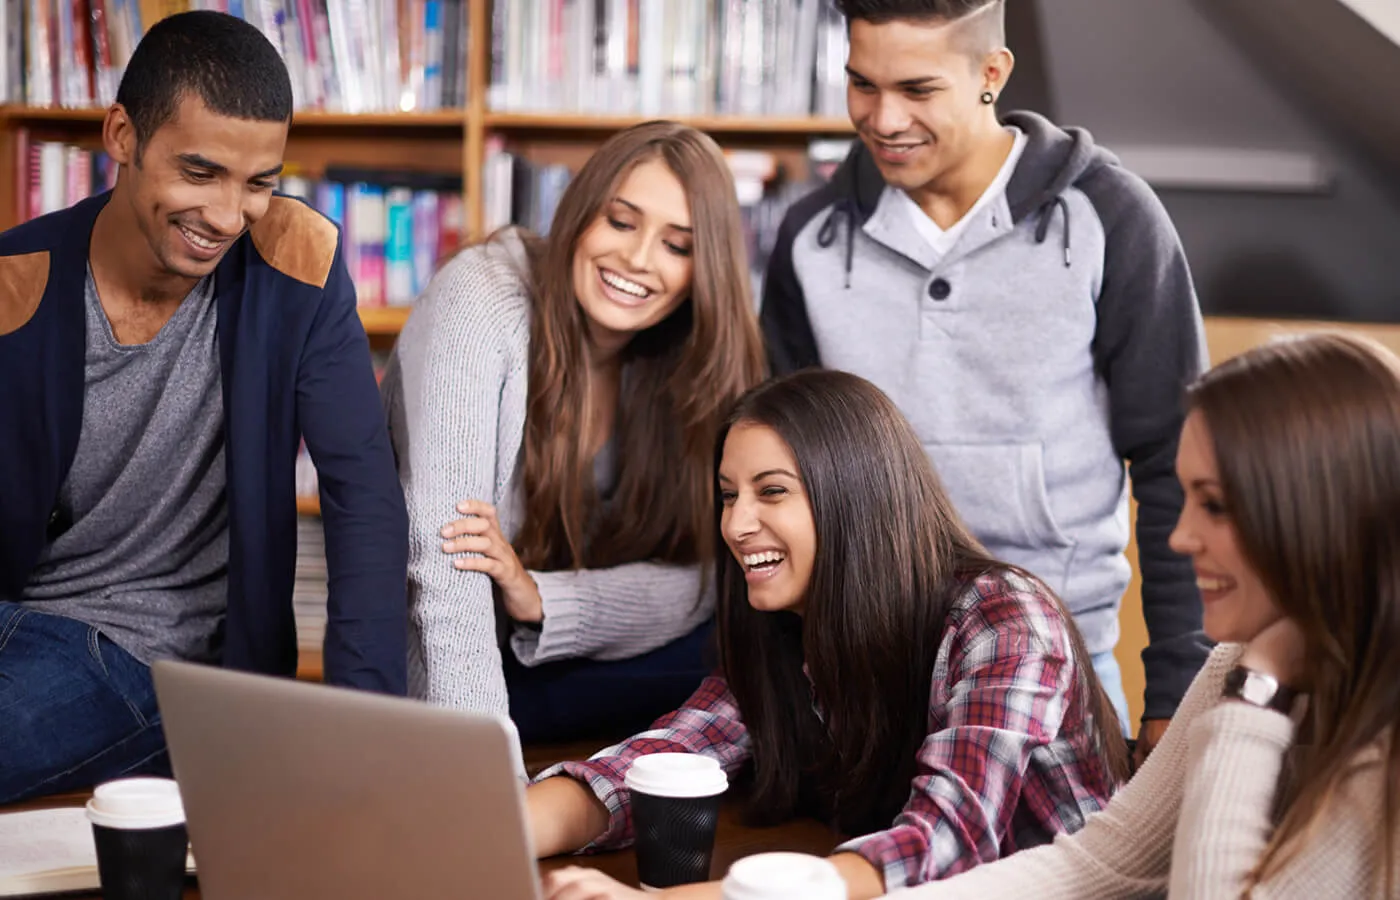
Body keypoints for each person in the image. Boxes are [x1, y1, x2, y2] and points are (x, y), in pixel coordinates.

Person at [760, 0, 1210, 761]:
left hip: (1062, 670)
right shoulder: (809, 239)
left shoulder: (1109, 217)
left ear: (990, 74)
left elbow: (1178, 462)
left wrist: (1176, 691)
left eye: (917, 90)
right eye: (861, 84)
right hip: (869, 674)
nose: (883, 117)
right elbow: (788, 477)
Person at [0, 11, 408, 804]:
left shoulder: (301, 267)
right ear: (122, 134)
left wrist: (369, 739)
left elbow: (364, 501)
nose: (227, 216)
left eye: (259, 183)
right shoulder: (15, 281)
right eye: (199, 172)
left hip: (162, 664)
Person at [528, 370, 1127, 899]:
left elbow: (948, 843)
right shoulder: (788, 629)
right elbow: (660, 763)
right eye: (728, 496)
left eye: (772, 491)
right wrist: (489, 828)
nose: (736, 524)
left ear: (856, 495)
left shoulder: (1006, 618)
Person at [893, 332, 1400, 899]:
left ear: (1317, 512)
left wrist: (1256, 691)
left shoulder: (1277, 683)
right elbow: (1103, 861)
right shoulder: (1244, 662)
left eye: (1214, 505)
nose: (1180, 537)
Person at [380, 121, 766, 741]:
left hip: (558, 647)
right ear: (581, 212)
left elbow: (704, 578)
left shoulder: (691, 359)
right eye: (620, 221)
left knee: (756, 638)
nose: (637, 260)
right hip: (454, 669)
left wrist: (544, 599)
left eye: (677, 245)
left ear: (705, 269)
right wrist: (481, 780)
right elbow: (444, 570)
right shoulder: (481, 299)